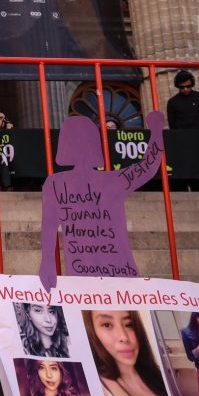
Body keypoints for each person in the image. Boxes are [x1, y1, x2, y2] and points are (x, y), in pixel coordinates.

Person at [38, 111, 165, 291]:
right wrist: (157, 132)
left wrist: (48, 263)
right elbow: (148, 166)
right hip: (103, 270)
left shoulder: (55, 183)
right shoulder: (112, 180)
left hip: (91, 269)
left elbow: (49, 227)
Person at [83, 310, 182, 396]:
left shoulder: (157, 375)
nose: (124, 337)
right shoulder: (96, 392)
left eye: (129, 324)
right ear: (91, 331)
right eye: (107, 325)